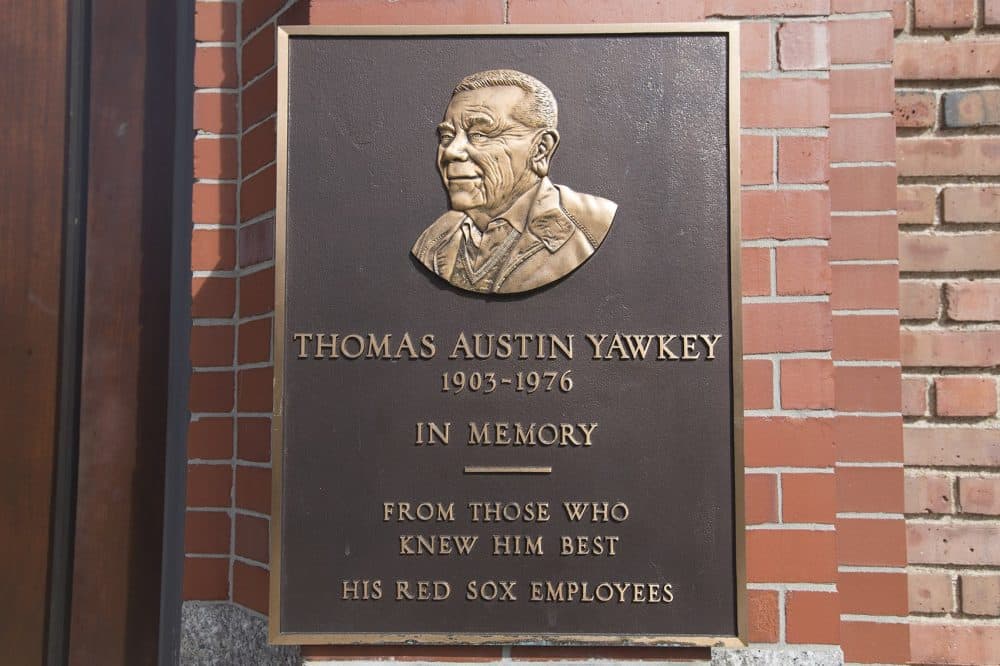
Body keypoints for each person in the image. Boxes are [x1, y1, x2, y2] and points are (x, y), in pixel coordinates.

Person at [411, 69, 618, 294]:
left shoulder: (585, 230)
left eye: (479, 134)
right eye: (447, 137)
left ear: (541, 149)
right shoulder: (435, 239)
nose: (451, 151)